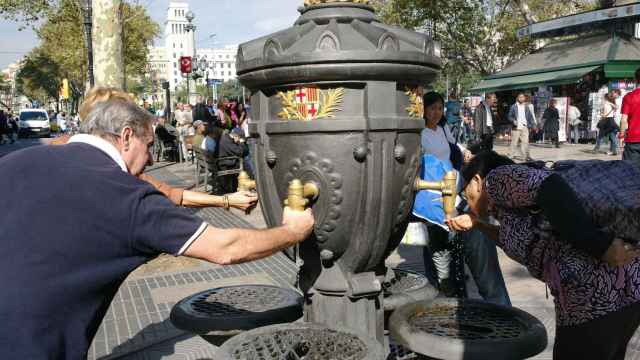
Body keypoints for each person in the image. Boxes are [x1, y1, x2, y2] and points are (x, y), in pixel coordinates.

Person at [0, 98, 314, 359]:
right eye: (148, 145)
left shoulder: (18, 161)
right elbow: (225, 248)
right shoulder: (125, 195)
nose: (151, 159)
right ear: (125, 136)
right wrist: (292, 231)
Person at [446, 151, 640, 360]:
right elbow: (518, 240)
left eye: (467, 195)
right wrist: (478, 225)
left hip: (594, 298)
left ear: (476, 181)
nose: (469, 202)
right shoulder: (508, 208)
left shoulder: (494, 180)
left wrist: (600, 245)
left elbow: (550, 187)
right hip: (624, 292)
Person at [51, 87, 257, 211]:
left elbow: (173, 194)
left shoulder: (54, 152)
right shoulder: (70, 160)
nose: (150, 161)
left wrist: (226, 200)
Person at [507, 93, 536, 160]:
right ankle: (510, 155)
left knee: (525, 142)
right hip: (516, 127)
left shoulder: (526, 106)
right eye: (520, 97)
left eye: (522, 97)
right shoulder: (513, 106)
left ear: (524, 98)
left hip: (524, 126)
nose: (521, 98)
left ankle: (525, 156)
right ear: (517, 98)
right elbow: (509, 116)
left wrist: (533, 125)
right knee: (514, 142)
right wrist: (513, 121)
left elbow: (530, 117)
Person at [621, 67, 640, 166]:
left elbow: (624, 120)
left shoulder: (629, 97)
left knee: (631, 173)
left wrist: (621, 135)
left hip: (633, 139)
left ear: (635, 80)